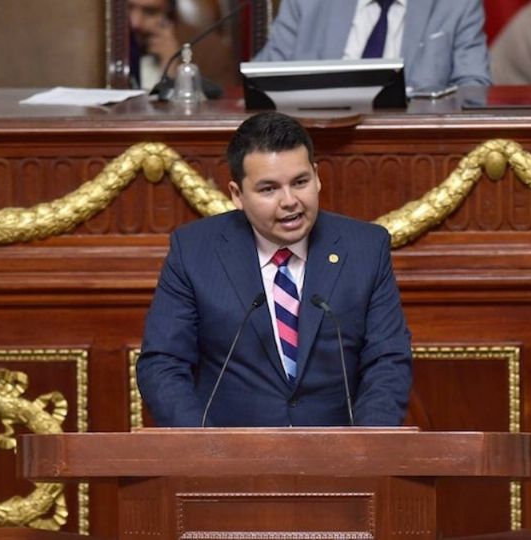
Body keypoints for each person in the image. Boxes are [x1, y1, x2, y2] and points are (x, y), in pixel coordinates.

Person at [137, 112, 413, 427]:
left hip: (339, 458)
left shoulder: (365, 248)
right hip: (230, 459)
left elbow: (387, 361)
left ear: (317, 176)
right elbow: (162, 364)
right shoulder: (195, 251)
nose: (290, 201)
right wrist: (207, 450)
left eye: (300, 182)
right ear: (237, 195)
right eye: (269, 189)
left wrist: (365, 452)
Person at [253, 0, 491, 91]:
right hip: (312, 142)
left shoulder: (457, 5)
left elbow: (474, 87)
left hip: (411, 144)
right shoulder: (307, 3)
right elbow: (261, 80)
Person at [128, 0, 180, 89]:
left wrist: (170, 66)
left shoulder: (200, 48)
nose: (135, 23)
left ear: (169, 17)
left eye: (149, 12)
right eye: (128, 8)